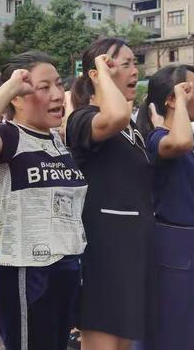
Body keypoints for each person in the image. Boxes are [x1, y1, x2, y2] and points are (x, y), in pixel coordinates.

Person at [0, 51, 88, 350]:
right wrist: (10, 86)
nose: (57, 94)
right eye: (44, 88)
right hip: (29, 276)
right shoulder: (10, 137)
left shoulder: (57, 141)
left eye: (58, 84)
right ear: (17, 97)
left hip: (66, 272)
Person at [66, 37, 154, 350]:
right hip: (102, 250)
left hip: (131, 250)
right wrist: (100, 75)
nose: (135, 70)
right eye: (125, 63)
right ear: (96, 72)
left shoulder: (132, 132)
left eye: (135, 63)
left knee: (123, 344)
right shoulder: (82, 118)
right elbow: (114, 116)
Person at [136, 65, 194, 350]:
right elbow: (179, 141)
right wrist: (182, 100)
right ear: (172, 99)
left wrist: (192, 93)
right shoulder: (158, 139)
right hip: (174, 246)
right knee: (175, 328)